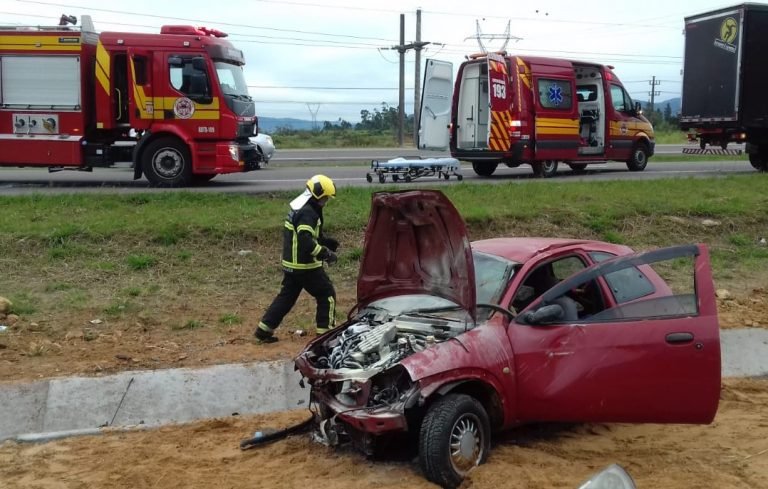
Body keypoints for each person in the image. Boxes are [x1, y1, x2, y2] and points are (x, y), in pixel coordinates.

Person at [254, 175, 340, 343]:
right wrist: (325, 254)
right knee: (326, 294)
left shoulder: (300, 206)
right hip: (305, 266)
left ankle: (263, 330)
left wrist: (325, 241)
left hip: (291, 264)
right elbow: (305, 241)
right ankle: (325, 336)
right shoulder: (308, 213)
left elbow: (307, 234)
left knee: (286, 298)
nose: (326, 201)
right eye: (325, 198)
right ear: (318, 196)